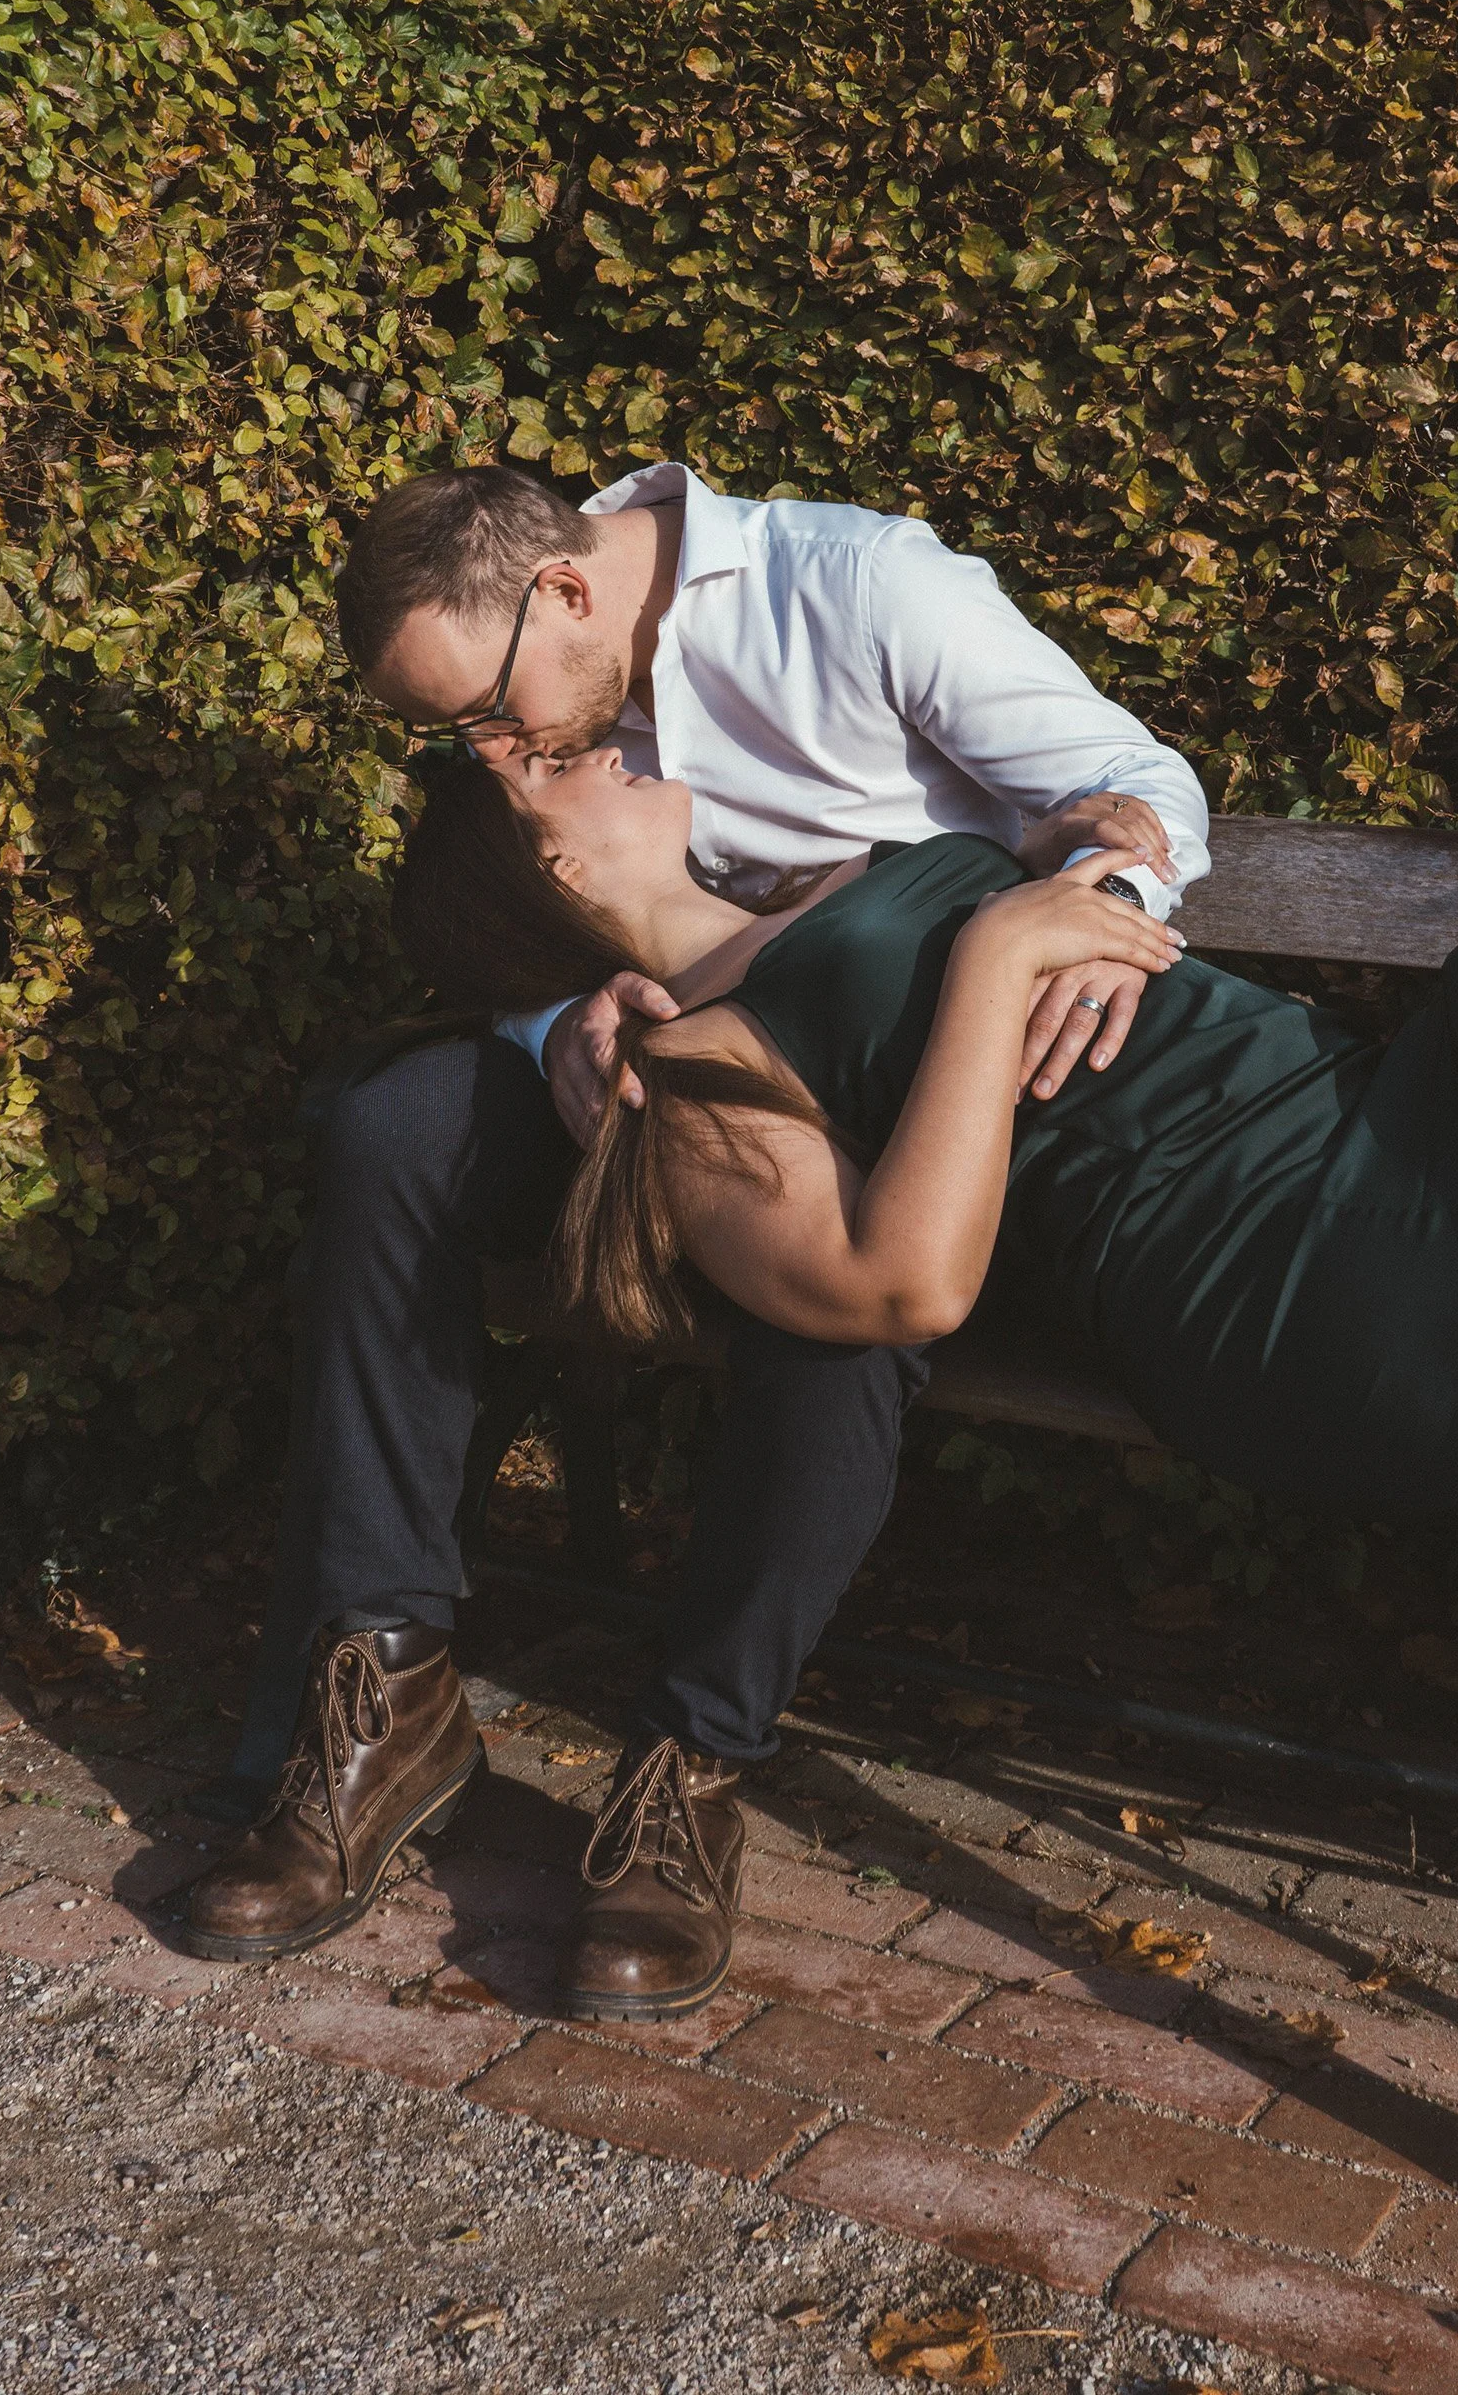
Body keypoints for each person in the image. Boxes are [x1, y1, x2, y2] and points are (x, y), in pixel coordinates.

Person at [393, 714, 1458, 2373]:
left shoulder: (835, 867)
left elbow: (1101, 841)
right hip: (1283, 1268)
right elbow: (902, 1289)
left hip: (1374, 1112)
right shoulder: (686, 1071)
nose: (597, 740)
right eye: (547, 765)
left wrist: (1099, 851)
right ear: (547, 861)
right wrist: (991, 972)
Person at [184, 458, 1210, 2019]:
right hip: (639, 1077)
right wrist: (551, 1028)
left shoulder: (861, 590)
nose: (487, 751)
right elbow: (495, 919)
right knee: (391, 1127)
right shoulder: (531, 675)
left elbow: (1136, 783)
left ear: (571, 590)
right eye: (445, 734)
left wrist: (1097, 913)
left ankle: (692, 1766)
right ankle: (384, 1685)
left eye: (485, 712)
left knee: (837, 1308)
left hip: (864, 1107)